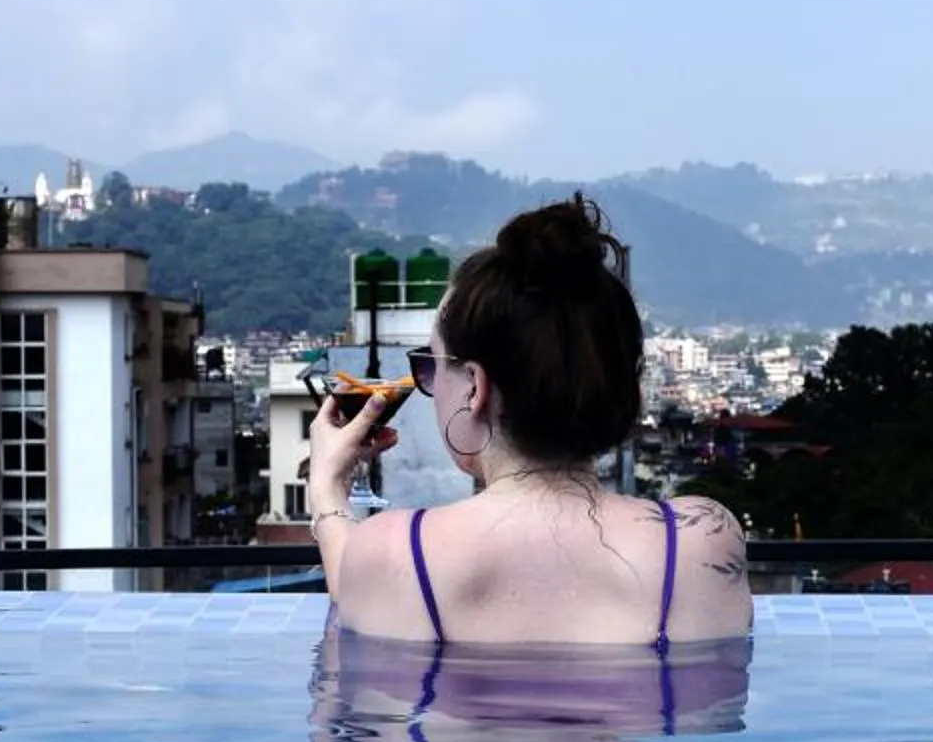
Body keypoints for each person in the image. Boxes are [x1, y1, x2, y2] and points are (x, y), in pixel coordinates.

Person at [306, 195, 752, 647]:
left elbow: (359, 609)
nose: (431, 385)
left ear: (474, 386)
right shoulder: (700, 541)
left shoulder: (395, 551)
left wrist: (327, 485)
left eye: (430, 366)